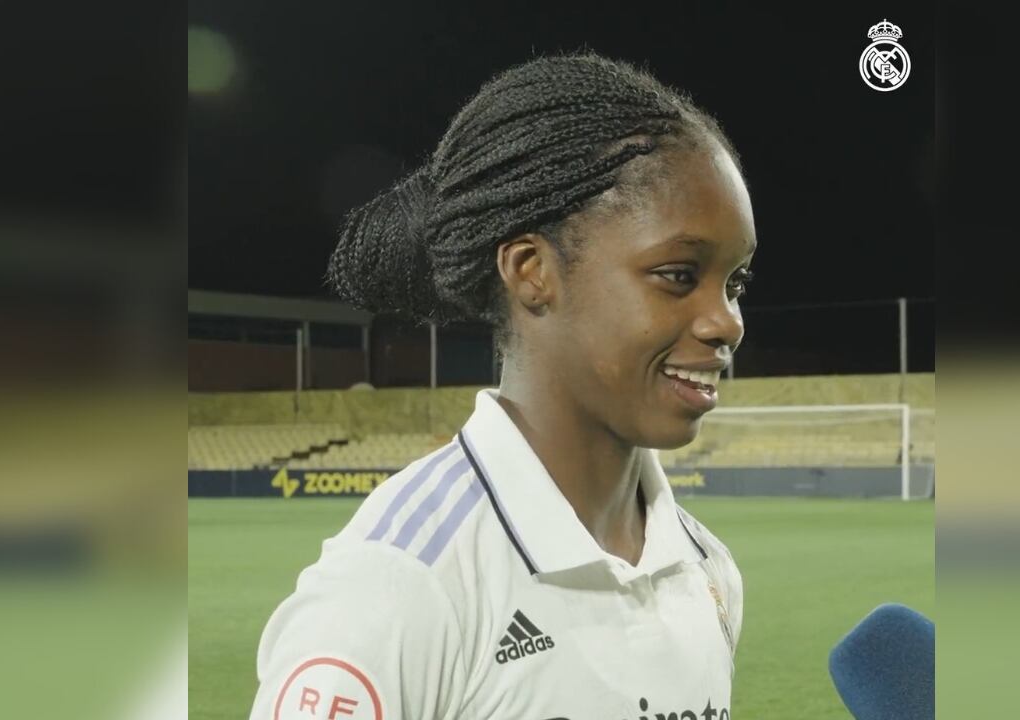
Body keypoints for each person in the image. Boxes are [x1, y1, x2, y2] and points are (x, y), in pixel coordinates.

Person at [248, 51, 756, 720]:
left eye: (735, 284)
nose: (727, 322)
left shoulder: (708, 571)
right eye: (678, 275)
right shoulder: (398, 587)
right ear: (531, 271)